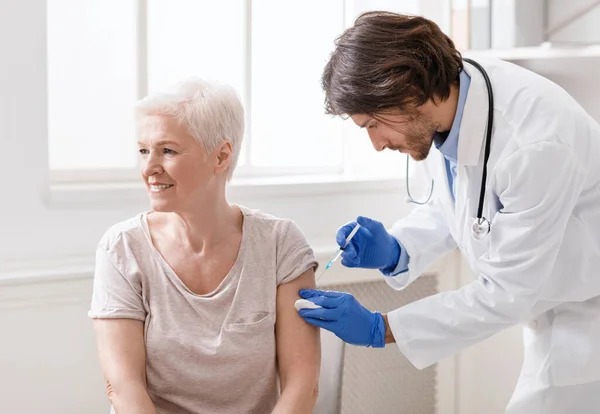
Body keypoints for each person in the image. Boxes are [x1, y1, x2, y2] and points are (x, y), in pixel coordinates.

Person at [298, 11, 600, 414]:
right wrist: (396, 248)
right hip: (556, 301)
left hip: (588, 313)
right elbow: (462, 206)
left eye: (373, 124)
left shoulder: (535, 143)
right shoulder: (453, 104)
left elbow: (507, 292)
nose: (376, 144)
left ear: (409, 90)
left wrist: (381, 328)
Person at [88, 77, 320, 414]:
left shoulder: (280, 244)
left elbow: (302, 384)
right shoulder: (121, 249)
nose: (149, 168)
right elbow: (125, 389)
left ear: (221, 156)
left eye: (167, 150)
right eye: (143, 151)